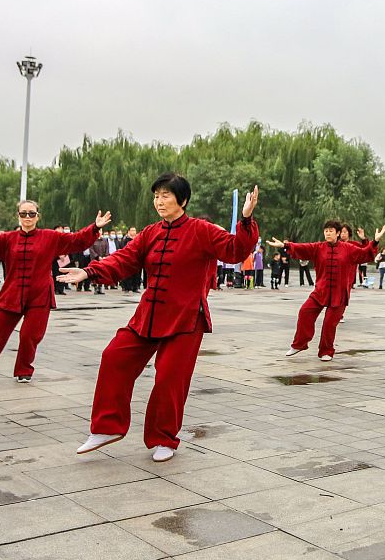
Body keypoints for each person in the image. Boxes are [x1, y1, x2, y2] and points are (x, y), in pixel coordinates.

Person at [61, 175, 259, 462]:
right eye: (156, 195)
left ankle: (164, 438)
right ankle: (107, 428)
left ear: (183, 200)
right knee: (114, 356)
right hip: (149, 314)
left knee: (169, 378)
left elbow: (235, 250)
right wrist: (89, 272)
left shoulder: (201, 231)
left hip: (186, 317)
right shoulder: (150, 233)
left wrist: (246, 220)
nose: (159, 201)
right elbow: (124, 259)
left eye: (166, 195)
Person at [0, 202, 110, 383]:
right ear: (18, 215)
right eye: (23, 213)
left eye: (31, 214)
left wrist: (94, 228)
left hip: (39, 294)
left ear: (37, 216)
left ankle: (24, 370)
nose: (27, 217)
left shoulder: (50, 237)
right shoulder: (7, 238)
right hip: (12, 293)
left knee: (29, 336)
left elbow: (76, 240)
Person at [270, 222, 385, 361]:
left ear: (337, 233)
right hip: (321, 291)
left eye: (331, 231)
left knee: (329, 324)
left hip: (340, 293)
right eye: (326, 231)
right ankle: (299, 344)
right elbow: (303, 248)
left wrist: (375, 241)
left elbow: (365, 254)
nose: (328, 233)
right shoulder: (318, 247)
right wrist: (285, 245)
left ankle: (326, 351)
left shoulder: (348, 248)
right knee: (305, 312)